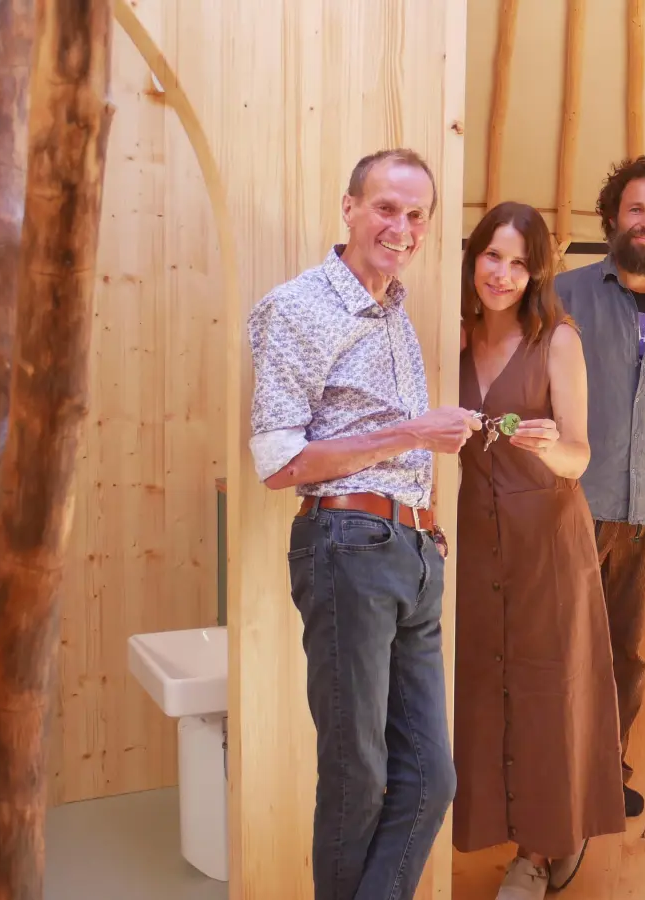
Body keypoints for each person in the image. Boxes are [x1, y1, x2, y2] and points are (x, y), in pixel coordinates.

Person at [247, 148, 477, 900]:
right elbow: (280, 462)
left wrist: (429, 530)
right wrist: (413, 433)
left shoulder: (394, 313)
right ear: (348, 208)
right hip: (346, 546)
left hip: (412, 552)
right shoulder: (301, 307)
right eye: (386, 208)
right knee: (359, 773)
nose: (401, 227)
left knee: (430, 779)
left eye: (416, 216)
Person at [450, 201, 626, 900]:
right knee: (481, 687)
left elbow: (581, 455)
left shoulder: (558, 340)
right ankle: (486, 826)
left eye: (519, 262)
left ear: (537, 273)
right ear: (473, 259)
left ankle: (541, 850)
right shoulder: (452, 337)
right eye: (493, 255)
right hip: (472, 539)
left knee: (547, 690)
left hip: (546, 541)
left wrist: (551, 447)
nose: (503, 273)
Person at [554, 153, 645, 819]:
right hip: (574, 506)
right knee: (557, 647)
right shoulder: (567, 293)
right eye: (635, 209)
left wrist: (644, 452)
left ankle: (606, 768)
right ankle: (550, 777)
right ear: (613, 216)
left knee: (625, 654)